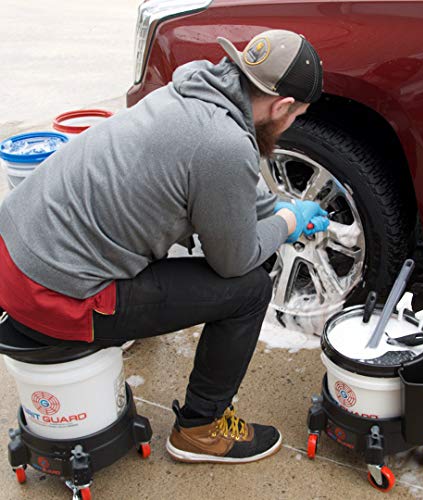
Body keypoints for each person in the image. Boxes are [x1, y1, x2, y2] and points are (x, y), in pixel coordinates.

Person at [0, 29, 328, 464]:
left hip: (16, 250)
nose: (291, 125)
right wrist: (289, 221)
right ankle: (201, 428)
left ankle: (127, 328)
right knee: (249, 290)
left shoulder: (191, 90)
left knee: (174, 238)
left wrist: (275, 206)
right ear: (283, 107)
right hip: (53, 297)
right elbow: (235, 261)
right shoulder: (223, 145)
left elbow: (226, 189)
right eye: (295, 116)